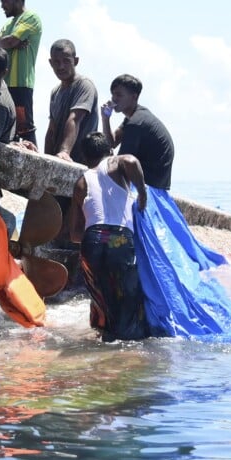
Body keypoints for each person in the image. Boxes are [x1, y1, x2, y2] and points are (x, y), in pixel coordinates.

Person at [68, 132, 153, 342]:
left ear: (86, 158)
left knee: (101, 295)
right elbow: (131, 160)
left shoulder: (80, 183)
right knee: (127, 296)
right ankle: (127, 345)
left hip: (91, 241)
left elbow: (74, 234)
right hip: (120, 239)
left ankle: (104, 337)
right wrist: (142, 192)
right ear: (110, 151)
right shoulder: (114, 163)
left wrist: (96, 239)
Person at [102, 74, 175, 191]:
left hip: (149, 186)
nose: (114, 99)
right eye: (113, 94)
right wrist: (105, 119)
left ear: (134, 97)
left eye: (119, 95)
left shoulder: (136, 123)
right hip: (156, 184)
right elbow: (112, 143)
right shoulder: (134, 117)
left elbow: (119, 164)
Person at [0, 0, 42, 144]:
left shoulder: (31, 17)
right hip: (4, 84)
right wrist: (7, 42)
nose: (2, 6)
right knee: (8, 127)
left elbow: (10, 41)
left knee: (24, 127)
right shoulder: (8, 24)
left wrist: (9, 42)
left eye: (5, 2)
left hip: (21, 84)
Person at [43, 39, 98, 163]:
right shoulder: (55, 92)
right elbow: (51, 130)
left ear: (76, 61)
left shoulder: (84, 85)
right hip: (59, 161)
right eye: (56, 62)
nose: (61, 66)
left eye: (66, 61)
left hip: (81, 162)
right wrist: (46, 160)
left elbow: (74, 119)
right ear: (51, 63)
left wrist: (65, 151)